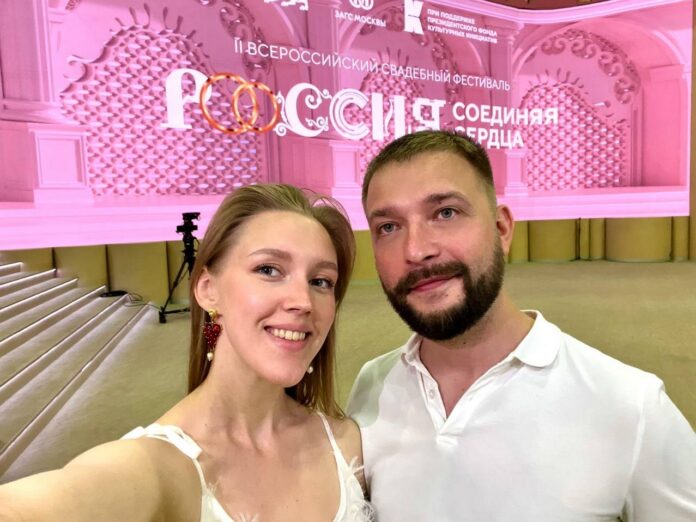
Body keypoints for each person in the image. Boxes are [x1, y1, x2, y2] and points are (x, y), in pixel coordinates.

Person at [346, 130, 696, 521]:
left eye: (445, 213)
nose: (416, 250)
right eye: (388, 227)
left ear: (502, 229)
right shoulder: (372, 386)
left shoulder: (631, 406)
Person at [0, 184, 373, 522]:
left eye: (320, 281)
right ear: (208, 290)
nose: (303, 301)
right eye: (269, 270)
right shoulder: (155, 467)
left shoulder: (347, 443)